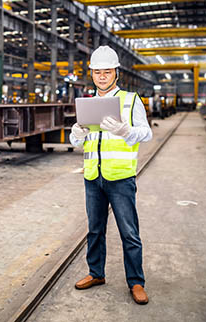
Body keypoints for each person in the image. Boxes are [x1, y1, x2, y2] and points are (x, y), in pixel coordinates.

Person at [70, 45, 153, 305]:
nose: (102, 76)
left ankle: (136, 282)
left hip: (120, 179)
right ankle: (96, 273)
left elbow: (147, 133)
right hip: (93, 177)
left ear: (116, 73)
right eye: (97, 72)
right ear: (92, 74)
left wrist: (125, 130)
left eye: (107, 72)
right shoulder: (87, 103)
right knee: (95, 230)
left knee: (129, 232)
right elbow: (76, 141)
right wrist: (77, 133)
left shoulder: (130, 100)